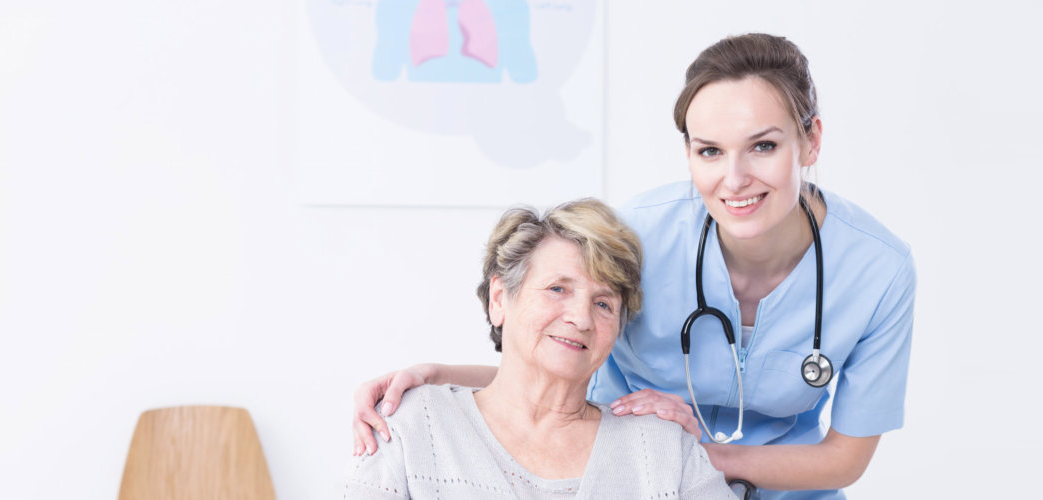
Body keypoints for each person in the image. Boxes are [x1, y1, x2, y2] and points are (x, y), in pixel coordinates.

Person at [352, 33, 915, 499]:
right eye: (710, 151)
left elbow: (844, 457)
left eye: (763, 146)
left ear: (810, 140)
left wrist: (679, 454)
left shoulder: (876, 271)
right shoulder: (638, 237)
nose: (735, 178)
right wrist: (434, 375)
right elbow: (561, 355)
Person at [341, 199, 733, 499]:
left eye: (603, 304)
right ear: (499, 299)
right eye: (557, 289)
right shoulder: (412, 425)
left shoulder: (662, 446)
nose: (581, 318)